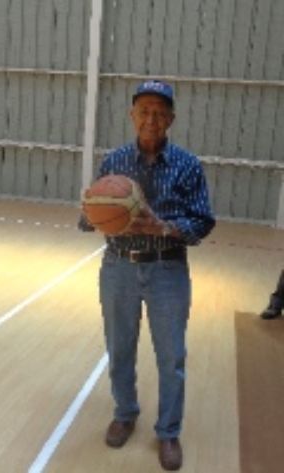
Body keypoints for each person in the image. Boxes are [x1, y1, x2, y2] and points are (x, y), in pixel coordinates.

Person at [79, 79, 215, 471]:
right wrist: (91, 212)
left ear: (170, 118)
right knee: (119, 347)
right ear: (132, 115)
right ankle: (125, 413)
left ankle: (168, 432)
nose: (151, 119)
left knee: (171, 356)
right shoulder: (115, 162)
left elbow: (203, 222)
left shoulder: (188, 165)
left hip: (167, 269)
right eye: (144, 111)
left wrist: (164, 227)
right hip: (118, 267)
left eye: (159, 112)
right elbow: (90, 220)